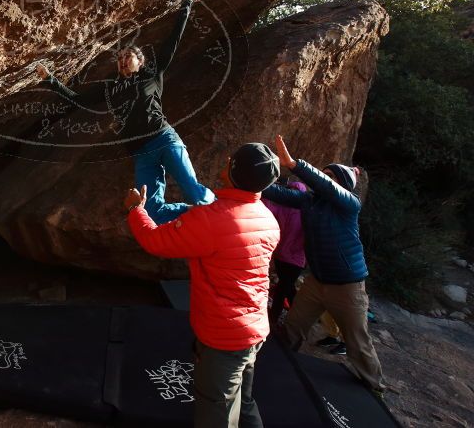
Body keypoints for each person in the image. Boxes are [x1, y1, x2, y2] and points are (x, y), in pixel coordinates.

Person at [125, 143, 281, 428]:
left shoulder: (212, 219)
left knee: (216, 413)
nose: (227, 157)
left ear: (234, 170)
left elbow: (155, 241)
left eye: (231, 158)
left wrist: (137, 210)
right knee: (244, 403)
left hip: (224, 337)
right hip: (254, 329)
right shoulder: (268, 218)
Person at [36, 0, 213, 225]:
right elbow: (78, 99)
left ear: (140, 61)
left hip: (163, 139)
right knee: (152, 211)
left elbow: (172, 41)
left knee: (194, 192)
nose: (122, 60)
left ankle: (213, 208)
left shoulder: (150, 74)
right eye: (119, 59)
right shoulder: (110, 88)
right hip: (140, 152)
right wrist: (52, 81)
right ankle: (198, 213)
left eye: (127, 56)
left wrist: (186, 3)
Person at [262, 135, 386, 395]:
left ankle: (374, 386)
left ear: (342, 185)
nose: (323, 177)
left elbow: (327, 187)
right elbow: (278, 194)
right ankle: (276, 365)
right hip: (316, 281)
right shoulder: (309, 201)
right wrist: (250, 179)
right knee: (293, 327)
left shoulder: (349, 204)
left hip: (347, 286)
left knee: (357, 342)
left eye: (330, 176)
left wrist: (296, 165)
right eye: (323, 173)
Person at [262, 180, 308, 327]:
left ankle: (277, 316)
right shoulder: (308, 212)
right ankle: (290, 317)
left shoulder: (280, 207)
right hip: (296, 258)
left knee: (285, 286)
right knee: (286, 286)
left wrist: (261, 189)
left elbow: (267, 206)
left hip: (281, 255)